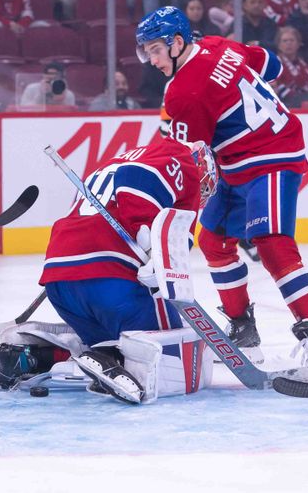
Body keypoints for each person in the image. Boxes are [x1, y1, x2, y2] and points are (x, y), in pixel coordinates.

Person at [136, 6, 308, 366]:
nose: (150, 60)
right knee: (214, 241)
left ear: (177, 43)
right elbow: (271, 65)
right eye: (146, 50)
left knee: (272, 244)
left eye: (154, 49)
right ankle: (244, 330)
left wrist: (165, 220)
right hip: (235, 160)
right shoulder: (218, 45)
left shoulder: (184, 92)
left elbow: (187, 163)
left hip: (273, 153)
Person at [32, 134, 217, 404]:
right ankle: (112, 361)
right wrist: (152, 248)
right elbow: (136, 177)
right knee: (175, 363)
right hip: (112, 280)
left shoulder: (121, 159)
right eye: (203, 188)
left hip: (61, 281)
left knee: (115, 351)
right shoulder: (182, 160)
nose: (200, 196)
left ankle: (37, 356)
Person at [274, 25, 308, 108]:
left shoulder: (306, 68)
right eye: (285, 41)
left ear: (298, 44)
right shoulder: (273, 65)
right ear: (279, 45)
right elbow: (275, 89)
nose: (288, 43)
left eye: (292, 40)